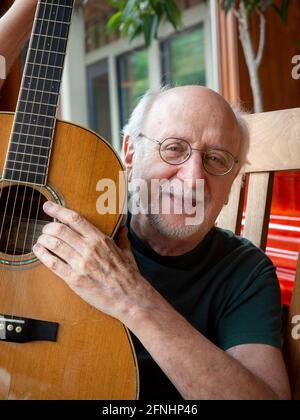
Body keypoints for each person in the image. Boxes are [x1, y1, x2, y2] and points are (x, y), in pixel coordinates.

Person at [0, 1, 291, 400]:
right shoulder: (70, 218)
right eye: (173, 148)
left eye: (216, 160)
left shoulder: (244, 272)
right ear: (131, 152)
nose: (193, 179)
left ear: (232, 181)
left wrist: (133, 299)